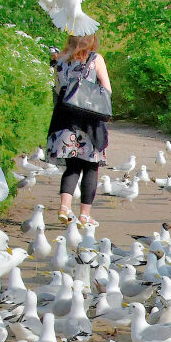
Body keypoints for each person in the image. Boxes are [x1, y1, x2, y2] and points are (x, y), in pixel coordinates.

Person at [46, 32, 111, 227]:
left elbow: (57, 90)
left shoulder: (61, 60)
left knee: (72, 166)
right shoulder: (95, 58)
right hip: (90, 121)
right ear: (92, 41)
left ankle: (65, 208)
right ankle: (84, 215)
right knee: (91, 167)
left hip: (65, 119)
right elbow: (107, 89)